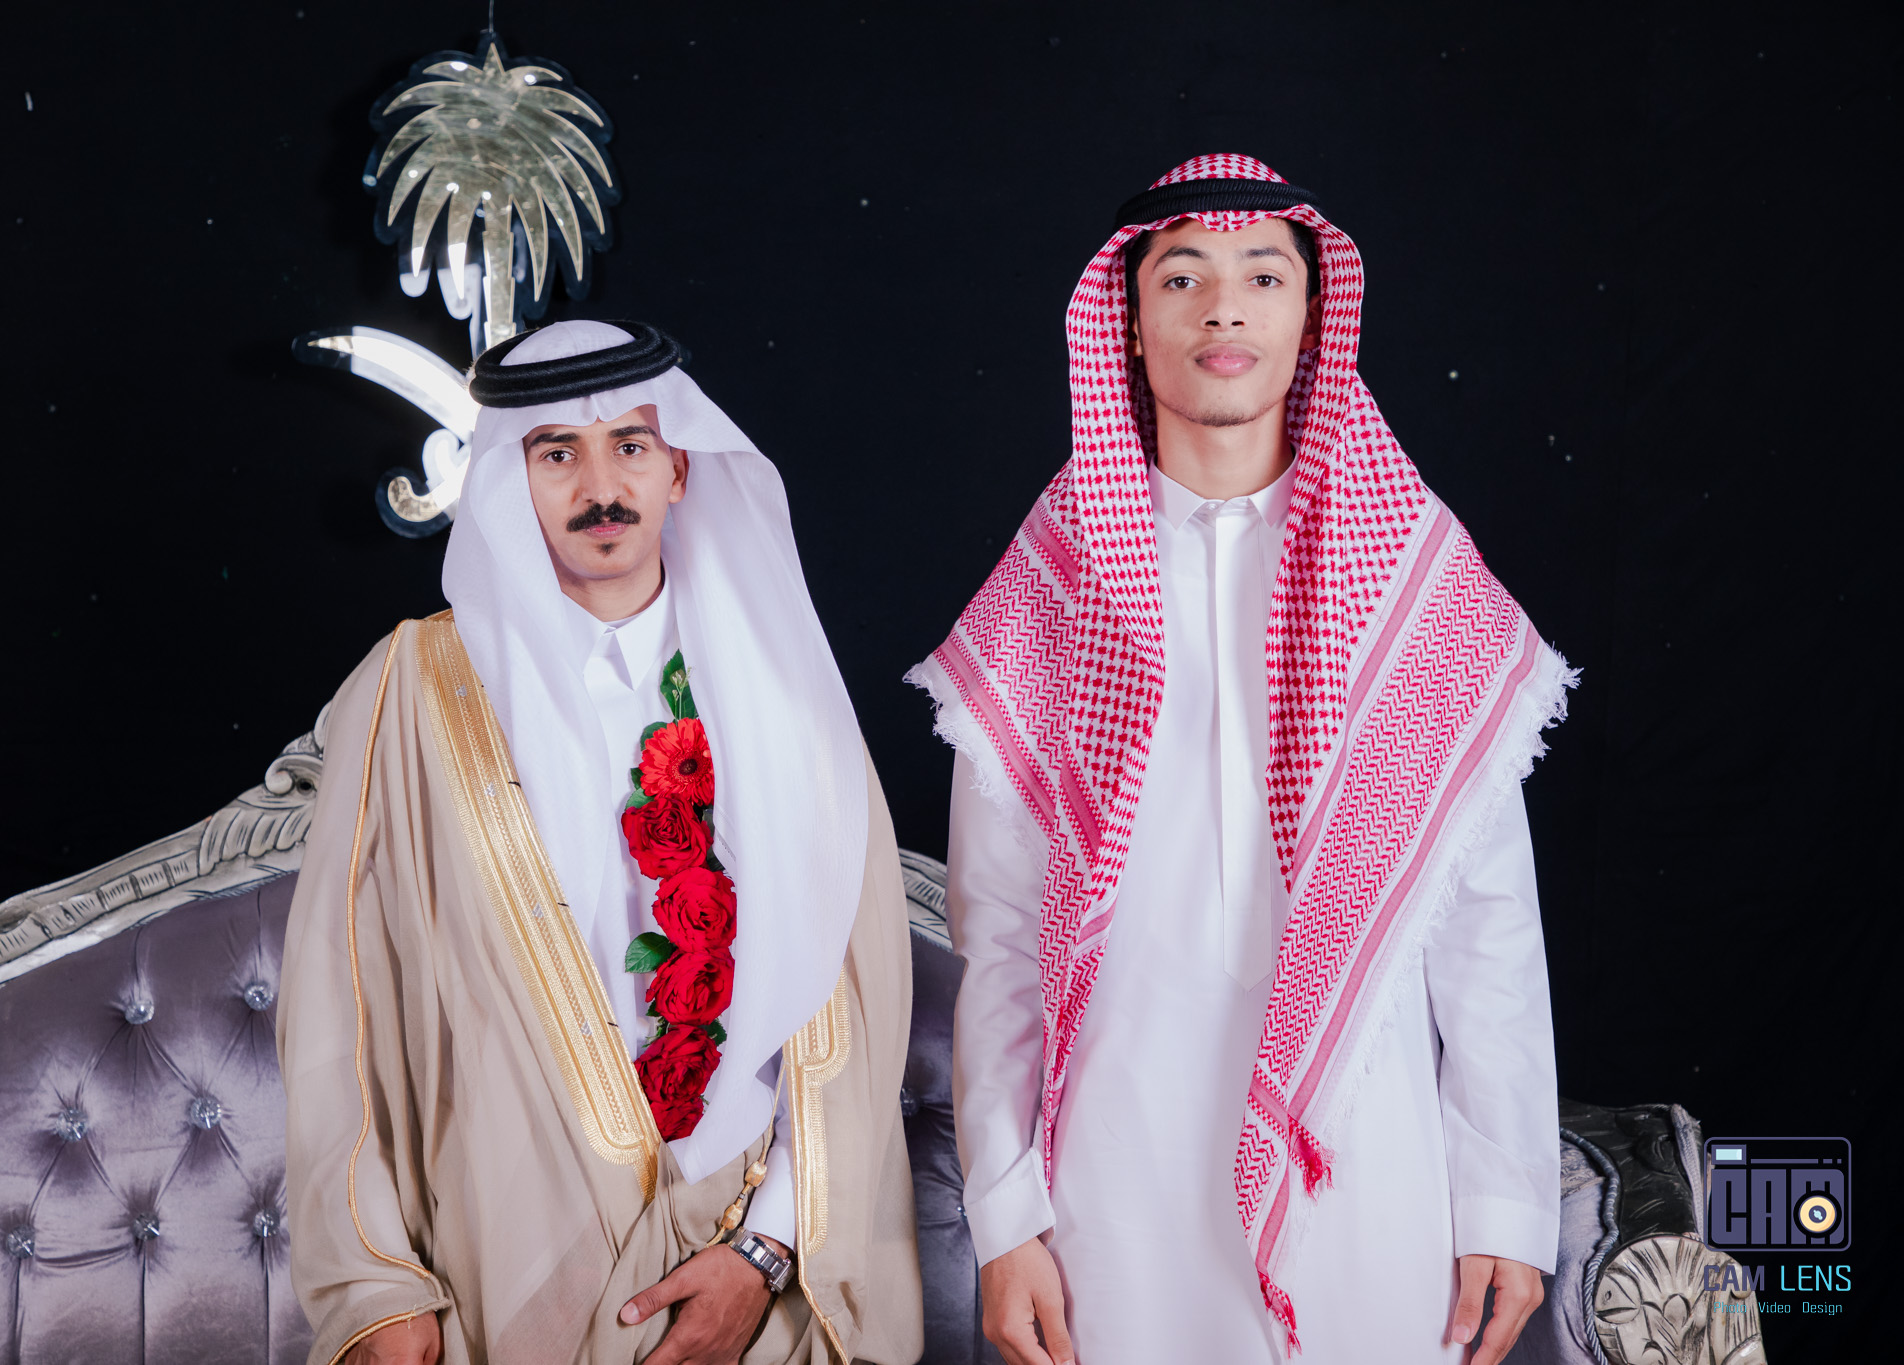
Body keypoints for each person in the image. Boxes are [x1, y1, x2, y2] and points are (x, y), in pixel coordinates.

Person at [908, 155, 1570, 1363]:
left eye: (1263, 276)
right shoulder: (1052, 586)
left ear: (1312, 316)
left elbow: (1486, 925)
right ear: (1127, 321)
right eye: (1182, 278)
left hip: (1365, 1179)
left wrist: (1505, 1203)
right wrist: (1003, 1221)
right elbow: (996, 938)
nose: (1224, 308)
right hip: (1110, 1192)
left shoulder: (1407, 576)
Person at [279, 320, 922, 1365]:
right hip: (505, 1245)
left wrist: (763, 1251)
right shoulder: (412, 694)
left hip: (747, 1246)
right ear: (507, 480)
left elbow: (850, 999)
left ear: (679, 470)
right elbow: (336, 1006)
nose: (600, 487)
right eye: (556, 454)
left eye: (630, 445)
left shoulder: (787, 694)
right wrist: (378, 1287)